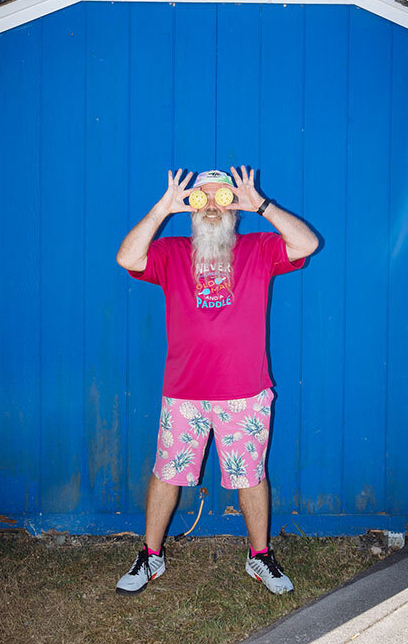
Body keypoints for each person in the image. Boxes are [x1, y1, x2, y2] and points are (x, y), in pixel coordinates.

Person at [114, 167, 318, 596]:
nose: (209, 206)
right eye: (200, 198)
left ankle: (259, 557)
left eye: (219, 198)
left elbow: (306, 243)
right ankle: (151, 556)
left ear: (234, 208)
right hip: (184, 392)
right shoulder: (171, 252)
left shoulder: (259, 248)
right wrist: (160, 209)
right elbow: (127, 258)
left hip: (245, 392)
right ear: (189, 209)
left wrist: (261, 204)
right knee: (166, 473)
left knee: (251, 476)